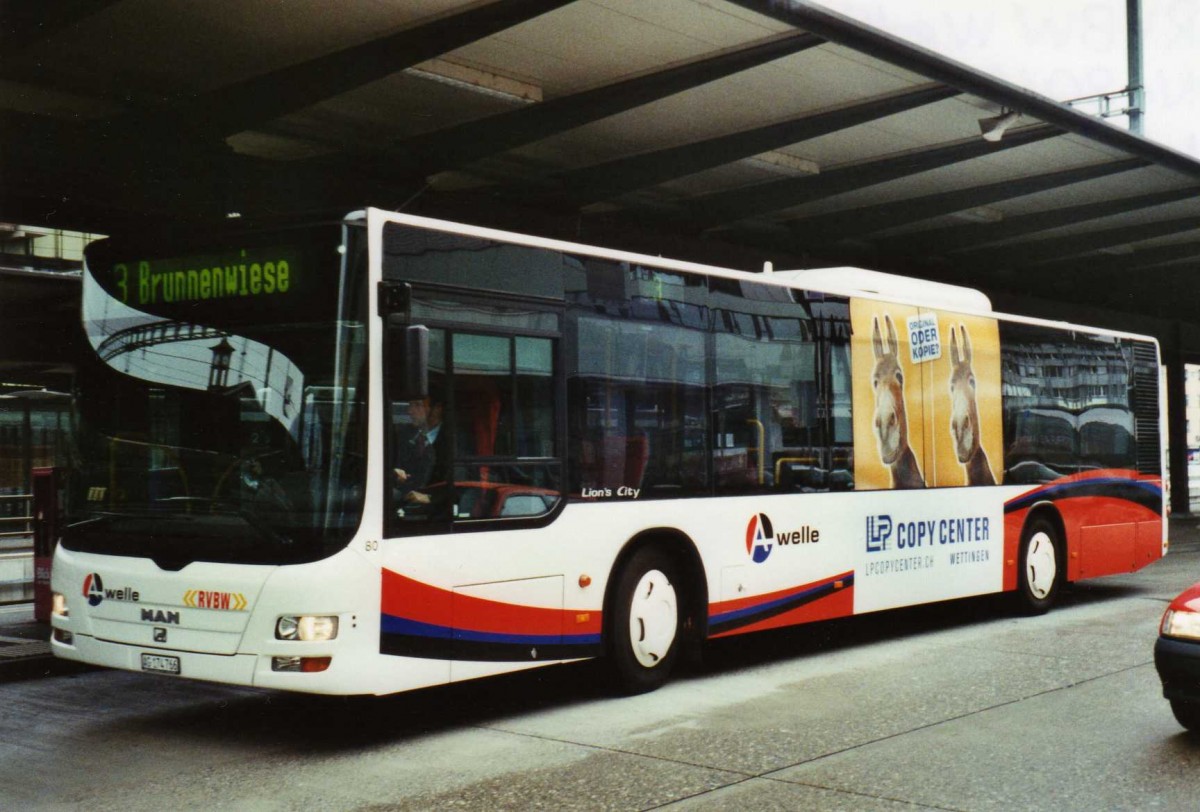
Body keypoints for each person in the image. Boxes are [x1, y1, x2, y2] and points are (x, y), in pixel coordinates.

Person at [393, 396, 449, 518]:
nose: (410, 411)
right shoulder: (406, 435)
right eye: (410, 405)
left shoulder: (453, 440)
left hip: (436, 514)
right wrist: (396, 475)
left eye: (417, 405)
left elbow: (461, 483)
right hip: (404, 505)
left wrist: (428, 498)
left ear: (437, 409)